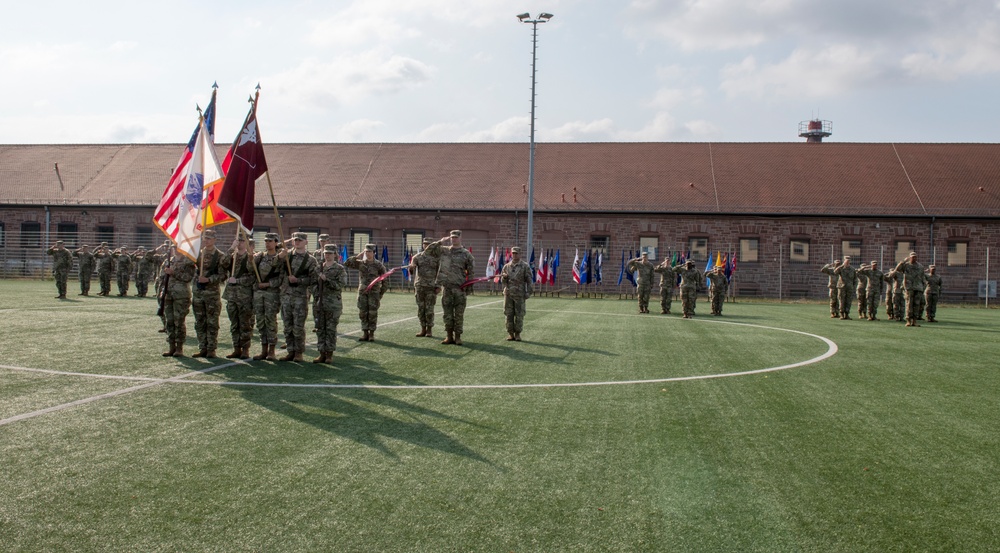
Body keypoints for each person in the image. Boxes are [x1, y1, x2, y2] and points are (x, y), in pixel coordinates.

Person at [426, 230, 475, 345]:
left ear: (460, 238)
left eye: (456, 237)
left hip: (459, 288)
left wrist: (469, 287)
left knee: (458, 315)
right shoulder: (444, 251)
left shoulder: (466, 254)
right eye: (452, 237)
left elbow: (471, 272)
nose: (454, 239)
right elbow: (428, 251)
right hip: (447, 288)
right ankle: (449, 336)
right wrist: (440, 242)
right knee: (447, 314)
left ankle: (457, 337)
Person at [278, 232, 319, 360]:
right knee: (287, 326)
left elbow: (313, 279)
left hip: (300, 297)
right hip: (285, 295)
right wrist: (280, 256)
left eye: (300, 240)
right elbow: (273, 262)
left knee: (298, 327)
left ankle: (299, 352)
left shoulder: (311, 260)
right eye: (295, 240)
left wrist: (299, 281)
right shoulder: (286, 255)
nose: (297, 242)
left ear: (306, 242)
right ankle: (290, 351)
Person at [191, 229, 227, 358]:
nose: (206, 241)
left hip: (211, 294)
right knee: (199, 321)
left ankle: (211, 349)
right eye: (205, 238)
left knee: (212, 322)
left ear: (215, 240)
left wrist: (209, 279)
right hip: (198, 293)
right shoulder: (197, 255)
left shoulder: (219, 256)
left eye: (209, 238)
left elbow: (223, 275)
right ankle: (202, 347)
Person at [343, 243, 387, 342]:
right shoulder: (361, 263)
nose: (367, 253)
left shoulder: (379, 265)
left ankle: (371, 334)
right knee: (363, 312)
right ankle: (365, 333)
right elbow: (346, 263)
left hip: (374, 292)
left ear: (374, 253)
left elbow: (385, 280)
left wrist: (380, 293)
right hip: (362, 292)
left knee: (372, 313)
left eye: (369, 251)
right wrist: (358, 255)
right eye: (366, 251)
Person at [222, 235, 256, 359]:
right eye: (238, 240)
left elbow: (253, 276)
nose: (240, 243)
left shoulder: (251, 257)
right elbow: (222, 263)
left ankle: (245, 349)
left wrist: (238, 281)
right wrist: (231, 248)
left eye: (242, 241)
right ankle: (236, 348)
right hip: (231, 295)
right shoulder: (232, 256)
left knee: (245, 323)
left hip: (244, 295)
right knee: (234, 324)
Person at [312, 244, 347, 363]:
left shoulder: (339, 269)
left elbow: (340, 285)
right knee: (320, 329)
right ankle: (321, 353)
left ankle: (329, 354)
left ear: (335, 255)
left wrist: (327, 280)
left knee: (330, 329)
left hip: (333, 304)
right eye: (326, 253)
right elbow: (313, 285)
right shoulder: (318, 268)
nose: (327, 255)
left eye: (330, 253)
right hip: (320, 303)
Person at [251, 233, 284, 361]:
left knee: (270, 321)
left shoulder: (281, 258)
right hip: (259, 293)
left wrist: (268, 284)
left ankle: (271, 350)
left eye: (270, 241)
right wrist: (250, 259)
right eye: (266, 241)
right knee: (260, 321)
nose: (267, 243)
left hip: (272, 293)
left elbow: (281, 277)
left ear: (276, 243)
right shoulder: (260, 256)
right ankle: (263, 349)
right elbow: (250, 269)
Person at [160, 246, 195, 357]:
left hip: (181, 295)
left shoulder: (188, 261)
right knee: (169, 321)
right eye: (174, 247)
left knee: (179, 321)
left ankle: (179, 348)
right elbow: (163, 277)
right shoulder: (169, 260)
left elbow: (188, 277)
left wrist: (173, 272)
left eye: (177, 247)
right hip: (168, 294)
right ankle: (171, 346)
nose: (175, 249)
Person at [408, 237, 440, 337]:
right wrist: (411, 268)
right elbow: (412, 271)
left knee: (429, 309)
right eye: (424, 244)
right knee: (421, 309)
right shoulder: (417, 257)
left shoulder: (437, 258)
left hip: (431, 287)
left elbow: (440, 273)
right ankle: (423, 329)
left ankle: (429, 329)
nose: (426, 246)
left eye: (428, 244)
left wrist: (438, 285)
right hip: (420, 286)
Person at [500, 246, 533, 341]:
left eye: (516, 253)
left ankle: (518, 333)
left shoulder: (525, 266)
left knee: (519, 314)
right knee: (508, 314)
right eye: (513, 253)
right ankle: (510, 333)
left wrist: (528, 292)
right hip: (509, 294)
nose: (514, 255)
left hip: (519, 294)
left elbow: (529, 280)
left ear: (520, 254)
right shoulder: (506, 266)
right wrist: (504, 277)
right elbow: (502, 281)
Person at [894, 251, 927, 327]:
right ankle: (908, 320)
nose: (914, 258)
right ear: (910, 257)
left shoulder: (920, 266)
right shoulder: (906, 265)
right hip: (909, 287)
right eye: (912, 257)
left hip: (918, 288)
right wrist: (903, 261)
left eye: (915, 257)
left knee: (916, 305)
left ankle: (914, 321)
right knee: (909, 304)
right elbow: (897, 269)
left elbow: (922, 277)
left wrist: (923, 287)